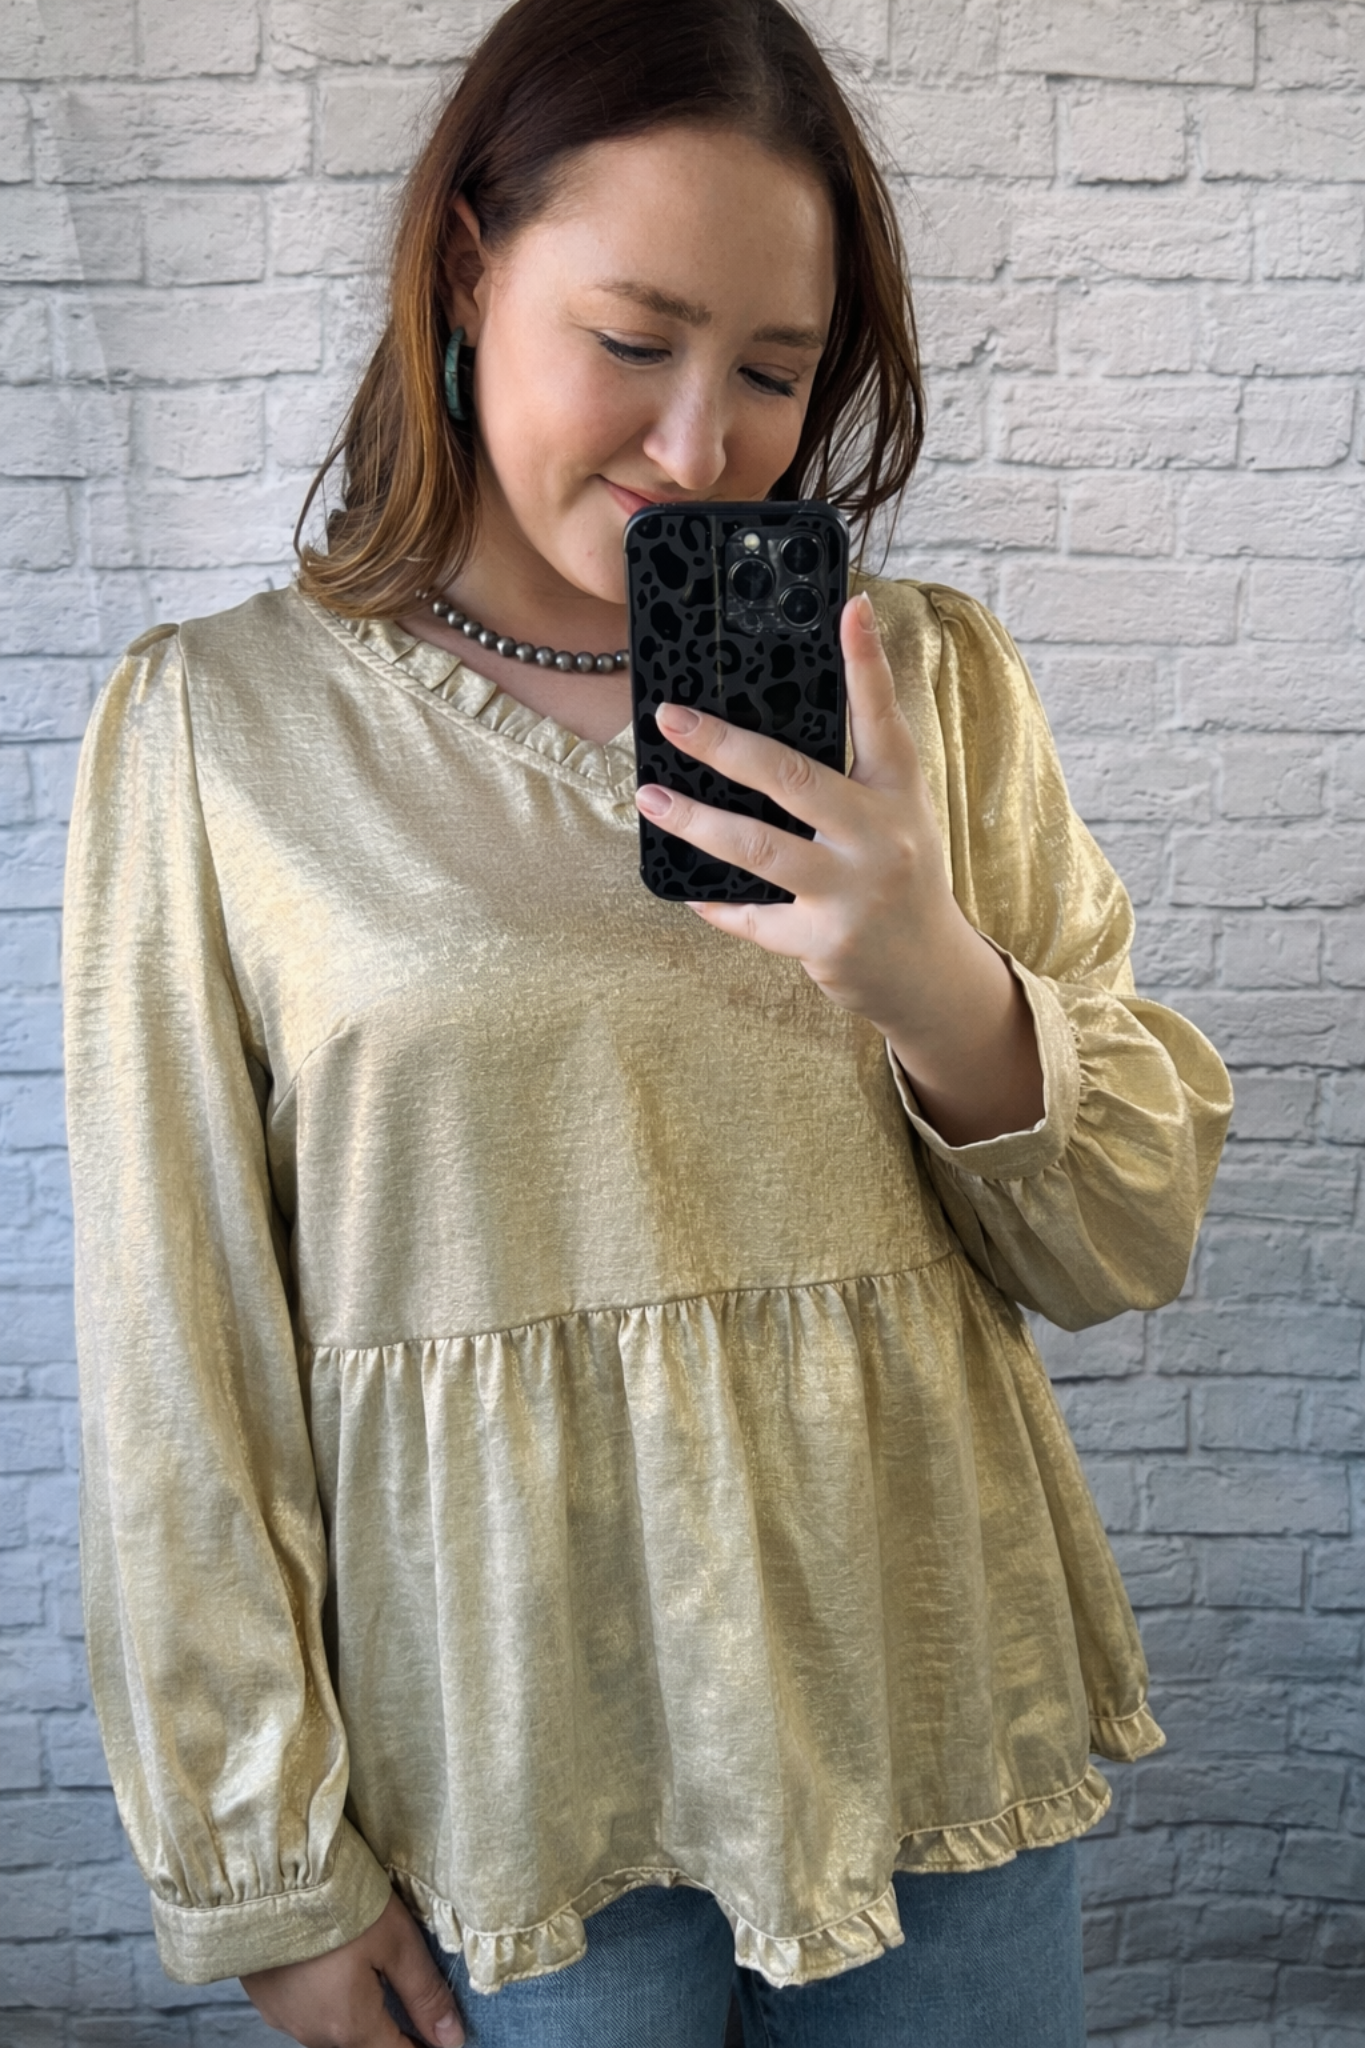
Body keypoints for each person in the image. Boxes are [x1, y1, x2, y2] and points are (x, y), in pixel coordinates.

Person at [62, 1, 1232, 2043]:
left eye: (772, 372)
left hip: (931, 1723)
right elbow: (181, 1350)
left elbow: (1122, 1238)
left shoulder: (926, 686)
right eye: (634, 339)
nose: (702, 443)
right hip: (526, 1786)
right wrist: (262, 1866)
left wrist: (925, 969)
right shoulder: (220, 733)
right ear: (464, 266)